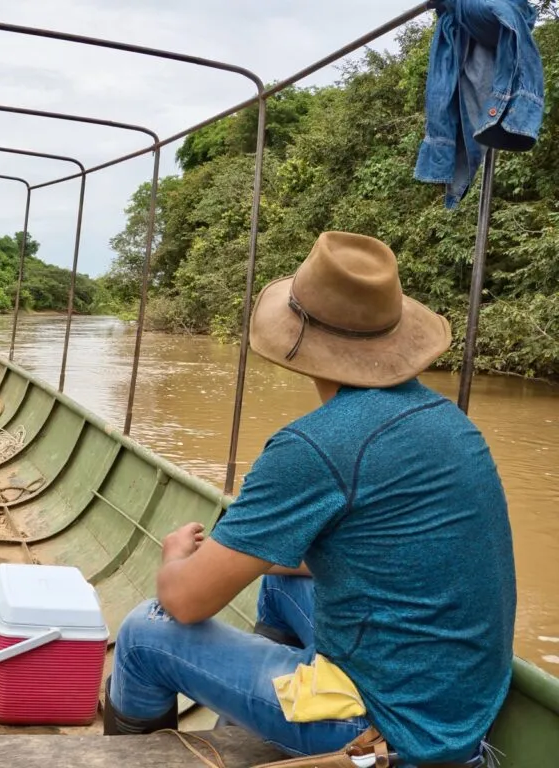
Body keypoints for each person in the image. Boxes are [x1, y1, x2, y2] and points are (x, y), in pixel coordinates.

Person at [103, 232, 515, 768]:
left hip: (387, 731)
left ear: (301, 341)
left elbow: (185, 602)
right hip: (458, 707)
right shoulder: (450, 422)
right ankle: (244, 733)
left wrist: (176, 559)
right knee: (278, 579)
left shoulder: (312, 446)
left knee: (143, 634)